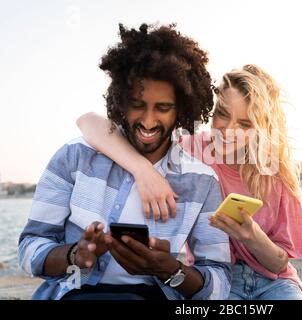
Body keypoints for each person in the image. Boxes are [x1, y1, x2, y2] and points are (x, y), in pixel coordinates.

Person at [18, 23, 231, 300]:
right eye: (137, 104)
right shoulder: (75, 157)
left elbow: (220, 281)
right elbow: (30, 247)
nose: (148, 120)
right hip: (76, 292)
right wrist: (74, 254)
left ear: (181, 110)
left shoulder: (202, 182)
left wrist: (170, 270)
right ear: (120, 101)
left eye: (163, 108)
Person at [77, 64, 302, 300]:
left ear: (262, 128)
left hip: (274, 283)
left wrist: (251, 236)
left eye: (245, 124)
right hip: (219, 282)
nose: (228, 130)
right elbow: (88, 122)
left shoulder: (277, 174)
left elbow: (279, 265)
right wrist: (143, 170)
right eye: (223, 114)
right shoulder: (191, 149)